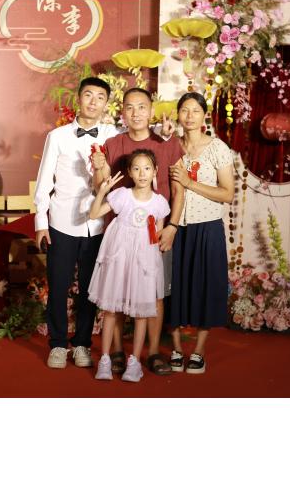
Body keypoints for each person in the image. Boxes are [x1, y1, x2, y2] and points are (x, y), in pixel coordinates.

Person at [92, 88, 184, 376]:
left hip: (157, 231)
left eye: (142, 107)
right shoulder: (112, 144)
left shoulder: (167, 142)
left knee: (154, 294)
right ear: (122, 112)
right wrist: (98, 168)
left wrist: (172, 226)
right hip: (121, 234)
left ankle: (153, 352)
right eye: (129, 107)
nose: (136, 113)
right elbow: (101, 186)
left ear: (151, 110)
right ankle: (117, 352)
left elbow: (179, 189)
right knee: (117, 293)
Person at [34, 77, 118, 369]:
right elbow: (44, 181)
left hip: (98, 225)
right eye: (88, 95)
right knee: (58, 286)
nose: (93, 102)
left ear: (106, 104)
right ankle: (58, 344)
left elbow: (142, 139)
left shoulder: (112, 135)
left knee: (90, 289)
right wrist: (41, 222)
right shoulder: (57, 136)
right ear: (79, 99)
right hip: (62, 222)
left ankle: (82, 343)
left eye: (100, 97)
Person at [88, 149, 170, 382]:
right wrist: (102, 191)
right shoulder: (122, 195)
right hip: (119, 258)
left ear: (155, 171)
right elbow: (94, 214)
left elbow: (157, 235)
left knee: (141, 313)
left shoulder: (159, 203)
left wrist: (152, 261)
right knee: (111, 309)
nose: (142, 173)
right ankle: (105, 359)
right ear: (129, 172)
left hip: (143, 262)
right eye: (136, 168)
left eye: (147, 168)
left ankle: (134, 362)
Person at [167, 92, 234, 374]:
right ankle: (175, 347)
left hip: (207, 227)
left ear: (204, 114)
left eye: (195, 110)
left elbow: (227, 193)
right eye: (184, 110)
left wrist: (190, 183)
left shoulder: (217, 147)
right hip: (175, 227)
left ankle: (199, 350)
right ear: (178, 115)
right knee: (172, 285)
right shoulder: (171, 145)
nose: (190, 116)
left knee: (206, 285)